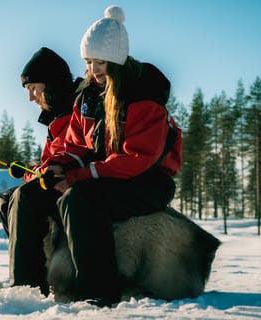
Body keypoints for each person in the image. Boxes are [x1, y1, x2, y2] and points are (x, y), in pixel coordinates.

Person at [44, 5, 182, 306]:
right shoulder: (89, 96)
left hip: (148, 182)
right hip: (110, 177)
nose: (93, 70)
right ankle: (31, 285)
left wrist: (79, 177)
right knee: (32, 195)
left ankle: (98, 294)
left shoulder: (143, 96)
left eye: (100, 62)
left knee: (79, 199)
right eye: (88, 62)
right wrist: (59, 165)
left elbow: (137, 159)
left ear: (116, 62)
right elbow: (76, 144)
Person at [0, 47, 82, 296]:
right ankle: (37, 272)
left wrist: (49, 170)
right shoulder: (56, 116)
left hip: (78, 180)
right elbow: (49, 162)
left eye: (33, 88)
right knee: (5, 200)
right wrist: (28, 171)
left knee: (25, 196)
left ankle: (26, 288)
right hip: (58, 177)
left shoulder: (78, 108)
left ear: (51, 84)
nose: (31, 97)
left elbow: (79, 151)